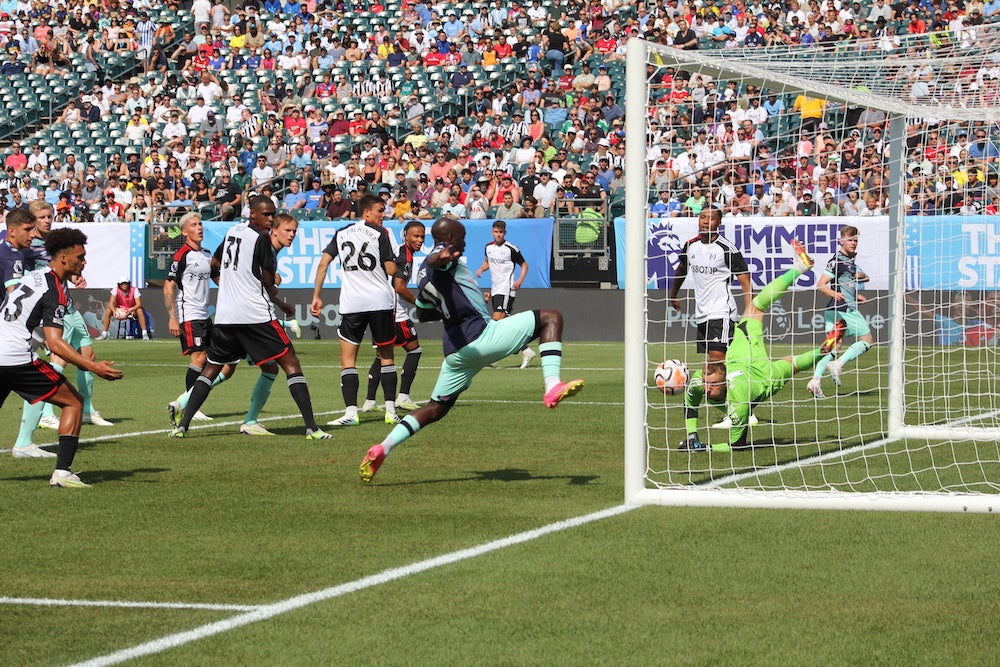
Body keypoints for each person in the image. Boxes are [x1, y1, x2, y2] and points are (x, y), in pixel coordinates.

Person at [359, 217, 584, 482]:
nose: (465, 243)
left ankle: (382, 448)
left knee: (436, 408)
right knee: (551, 317)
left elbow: (423, 311)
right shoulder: (441, 257)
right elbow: (438, 260)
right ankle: (552, 386)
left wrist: (461, 300)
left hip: (455, 351)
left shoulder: (422, 274)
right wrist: (442, 257)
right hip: (480, 336)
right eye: (462, 237)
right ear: (450, 238)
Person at [169, 197, 330, 440]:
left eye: (273, 214)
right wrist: (276, 292)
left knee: (213, 368)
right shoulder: (262, 239)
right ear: (252, 214)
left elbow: (214, 263)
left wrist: (232, 284)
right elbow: (267, 280)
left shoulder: (234, 230)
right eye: (266, 215)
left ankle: (183, 426)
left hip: (225, 315)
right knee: (291, 364)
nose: (270, 219)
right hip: (254, 315)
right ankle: (312, 428)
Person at [680, 240, 844, 452]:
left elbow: (737, 446)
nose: (707, 388)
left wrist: (706, 447)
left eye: (712, 384)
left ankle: (800, 268)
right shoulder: (698, 381)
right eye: (706, 384)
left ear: (724, 380)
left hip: (747, 359)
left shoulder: (738, 404)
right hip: (761, 375)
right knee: (792, 364)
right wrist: (692, 436)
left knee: (756, 306)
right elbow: (690, 404)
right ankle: (823, 350)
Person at [0, 227, 123, 486]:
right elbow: (56, 343)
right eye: (80, 257)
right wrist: (92, 366)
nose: (84, 261)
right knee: (73, 403)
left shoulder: (35, 277)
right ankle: (63, 472)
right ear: (64, 258)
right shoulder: (53, 289)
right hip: (15, 358)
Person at [310, 193, 399, 426]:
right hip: (380, 301)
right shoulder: (381, 234)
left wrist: (317, 296)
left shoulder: (341, 233)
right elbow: (390, 269)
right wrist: (398, 264)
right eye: (380, 210)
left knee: (348, 360)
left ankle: (351, 413)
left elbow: (323, 264)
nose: (384, 215)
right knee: (386, 356)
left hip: (353, 304)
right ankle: (391, 411)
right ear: (367, 212)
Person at [361, 220, 426, 415]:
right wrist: (418, 303)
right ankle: (403, 396)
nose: (419, 240)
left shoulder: (397, 251)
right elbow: (399, 287)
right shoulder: (404, 256)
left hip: (381, 309)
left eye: (422, 236)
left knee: (382, 354)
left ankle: (370, 401)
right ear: (405, 235)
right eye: (415, 236)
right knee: (414, 350)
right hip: (396, 313)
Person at [807, 226, 872, 398]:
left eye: (856, 240)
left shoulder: (848, 262)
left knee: (833, 346)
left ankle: (815, 381)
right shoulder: (838, 262)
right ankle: (839, 364)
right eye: (850, 240)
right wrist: (835, 293)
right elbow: (821, 284)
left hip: (834, 310)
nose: (853, 243)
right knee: (867, 340)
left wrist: (855, 295)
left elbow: (861, 276)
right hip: (844, 310)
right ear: (841, 241)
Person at [475, 220, 536, 369]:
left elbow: (524, 264)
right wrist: (481, 269)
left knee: (496, 323)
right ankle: (526, 350)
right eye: (496, 232)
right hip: (495, 288)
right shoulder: (488, 247)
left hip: (507, 288)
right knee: (505, 325)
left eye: (501, 232)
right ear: (492, 232)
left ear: (505, 233)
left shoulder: (511, 248)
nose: (498, 234)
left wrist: (520, 280)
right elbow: (488, 262)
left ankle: (494, 358)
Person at [96, 276, 151, 340]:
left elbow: (139, 304)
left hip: (131, 309)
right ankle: (104, 334)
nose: (124, 285)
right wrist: (114, 312)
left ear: (128, 284)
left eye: (126, 283)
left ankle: (144, 334)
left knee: (140, 310)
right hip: (120, 309)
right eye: (122, 284)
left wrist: (131, 309)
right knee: (108, 311)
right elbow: (111, 303)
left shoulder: (134, 290)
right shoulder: (115, 290)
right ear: (119, 285)